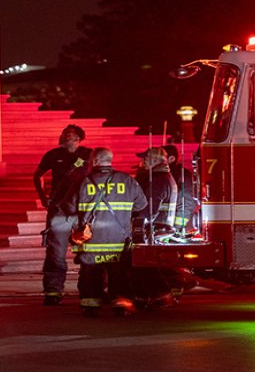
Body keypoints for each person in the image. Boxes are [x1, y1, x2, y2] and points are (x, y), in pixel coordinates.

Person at [60, 147, 147, 317]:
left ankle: (90, 306)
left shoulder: (82, 182)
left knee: (90, 274)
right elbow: (141, 205)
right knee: (119, 274)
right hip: (118, 239)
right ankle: (120, 305)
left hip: (92, 240)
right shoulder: (127, 180)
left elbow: (68, 207)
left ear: (94, 161)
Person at [33, 124, 92, 306]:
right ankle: (53, 291)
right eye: (63, 134)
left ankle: (90, 290)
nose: (64, 137)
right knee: (55, 252)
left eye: (69, 135)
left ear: (78, 138)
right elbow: (38, 175)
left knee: (88, 251)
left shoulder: (88, 154)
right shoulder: (53, 155)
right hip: (59, 210)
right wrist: (43, 197)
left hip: (83, 211)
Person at [132, 147, 184, 307]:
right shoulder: (164, 177)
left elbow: (148, 210)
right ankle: (157, 295)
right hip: (160, 227)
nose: (142, 162)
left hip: (154, 228)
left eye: (145, 158)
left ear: (155, 161)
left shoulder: (157, 181)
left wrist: (136, 226)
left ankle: (160, 294)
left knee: (142, 265)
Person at [161, 145, 196, 232]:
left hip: (178, 229)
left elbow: (186, 204)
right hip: (167, 227)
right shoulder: (166, 175)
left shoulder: (182, 176)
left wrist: (176, 228)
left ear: (171, 159)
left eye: (162, 158)